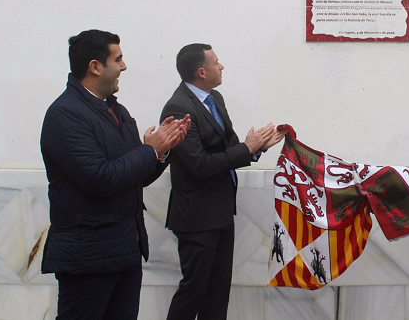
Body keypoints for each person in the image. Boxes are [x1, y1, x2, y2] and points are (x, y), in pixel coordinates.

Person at [40, 29, 190, 319]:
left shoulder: (116, 111)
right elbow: (98, 179)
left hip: (125, 250)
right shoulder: (65, 115)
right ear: (95, 67)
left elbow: (135, 176)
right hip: (87, 259)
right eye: (117, 59)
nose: (124, 66)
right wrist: (148, 151)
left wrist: (161, 152)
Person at [161, 43, 286, 320]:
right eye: (217, 62)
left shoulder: (214, 98)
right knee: (194, 289)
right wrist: (246, 148)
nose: (222, 66)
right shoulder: (179, 107)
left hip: (220, 211)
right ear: (201, 71)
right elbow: (199, 165)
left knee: (218, 293)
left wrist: (256, 146)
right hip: (196, 217)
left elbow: (228, 147)